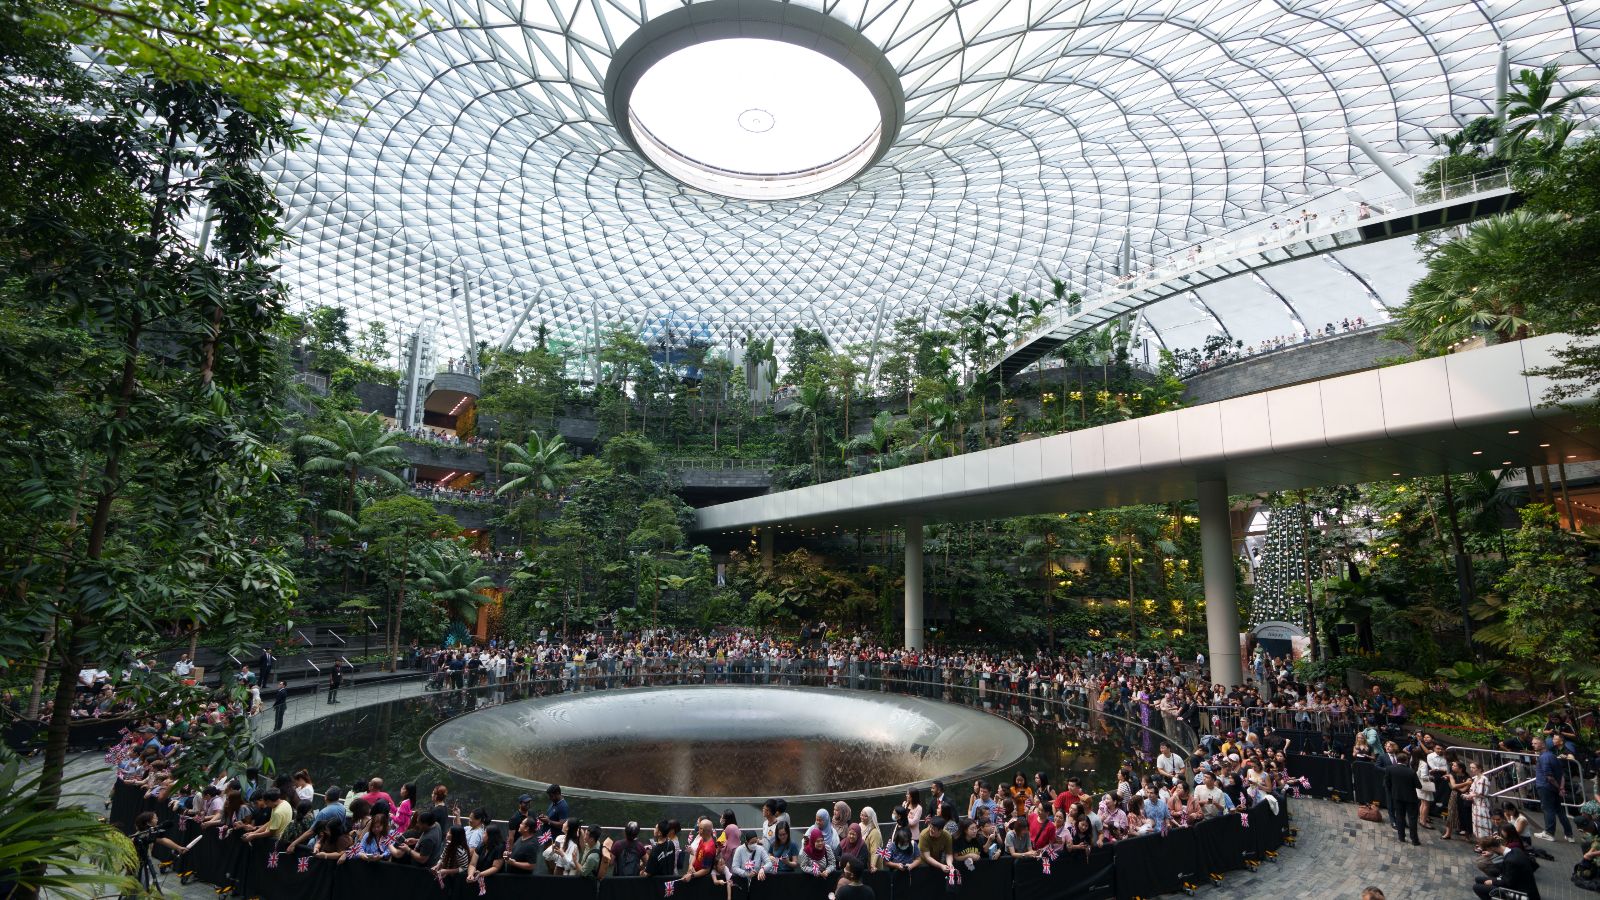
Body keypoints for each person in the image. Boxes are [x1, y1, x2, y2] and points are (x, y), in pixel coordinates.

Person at [1473, 824, 1541, 899]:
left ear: (1491, 848)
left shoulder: (1510, 860)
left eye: (1487, 849)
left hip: (1523, 893)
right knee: (1478, 879)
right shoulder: (1515, 850)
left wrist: (1492, 882)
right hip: (1518, 883)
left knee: (1477, 887)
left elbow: (1508, 883)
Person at [1533, 737, 1575, 842]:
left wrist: (1559, 787)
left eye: (1535, 743)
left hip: (1545, 787)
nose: (1533, 745)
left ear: (1543, 745)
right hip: (1553, 787)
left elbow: (1549, 776)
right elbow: (1561, 775)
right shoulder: (1553, 756)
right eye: (1533, 743)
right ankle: (1569, 835)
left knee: (1548, 810)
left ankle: (1549, 833)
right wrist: (1561, 787)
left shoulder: (1544, 758)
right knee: (1560, 811)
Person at [1383, 751, 1422, 845]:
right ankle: (1414, 840)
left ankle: (1401, 837)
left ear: (1397, 760)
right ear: (1406, 760)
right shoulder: (1411, 772)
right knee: (1412, 819)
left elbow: (1386, 783)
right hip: (1411, 799)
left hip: (1397, 797)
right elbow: (1419, 786)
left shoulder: (1390, 769)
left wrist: (1393, 792)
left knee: (1399, 817)